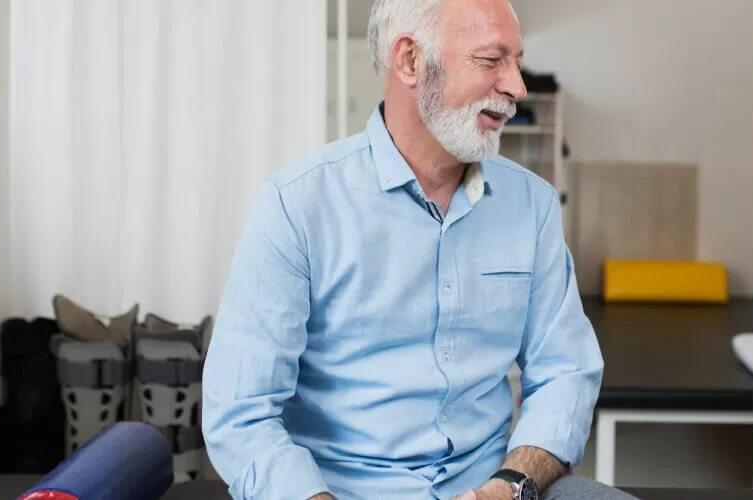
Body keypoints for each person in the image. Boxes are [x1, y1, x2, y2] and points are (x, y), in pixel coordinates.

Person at [201, 1, 634, 499]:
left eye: (516, 61)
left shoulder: (532, 205)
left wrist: (509, 486)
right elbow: (242, 413)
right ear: (410, 61)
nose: (517, 87)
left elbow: (566, 372)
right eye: (491, 60)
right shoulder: (296, 204)